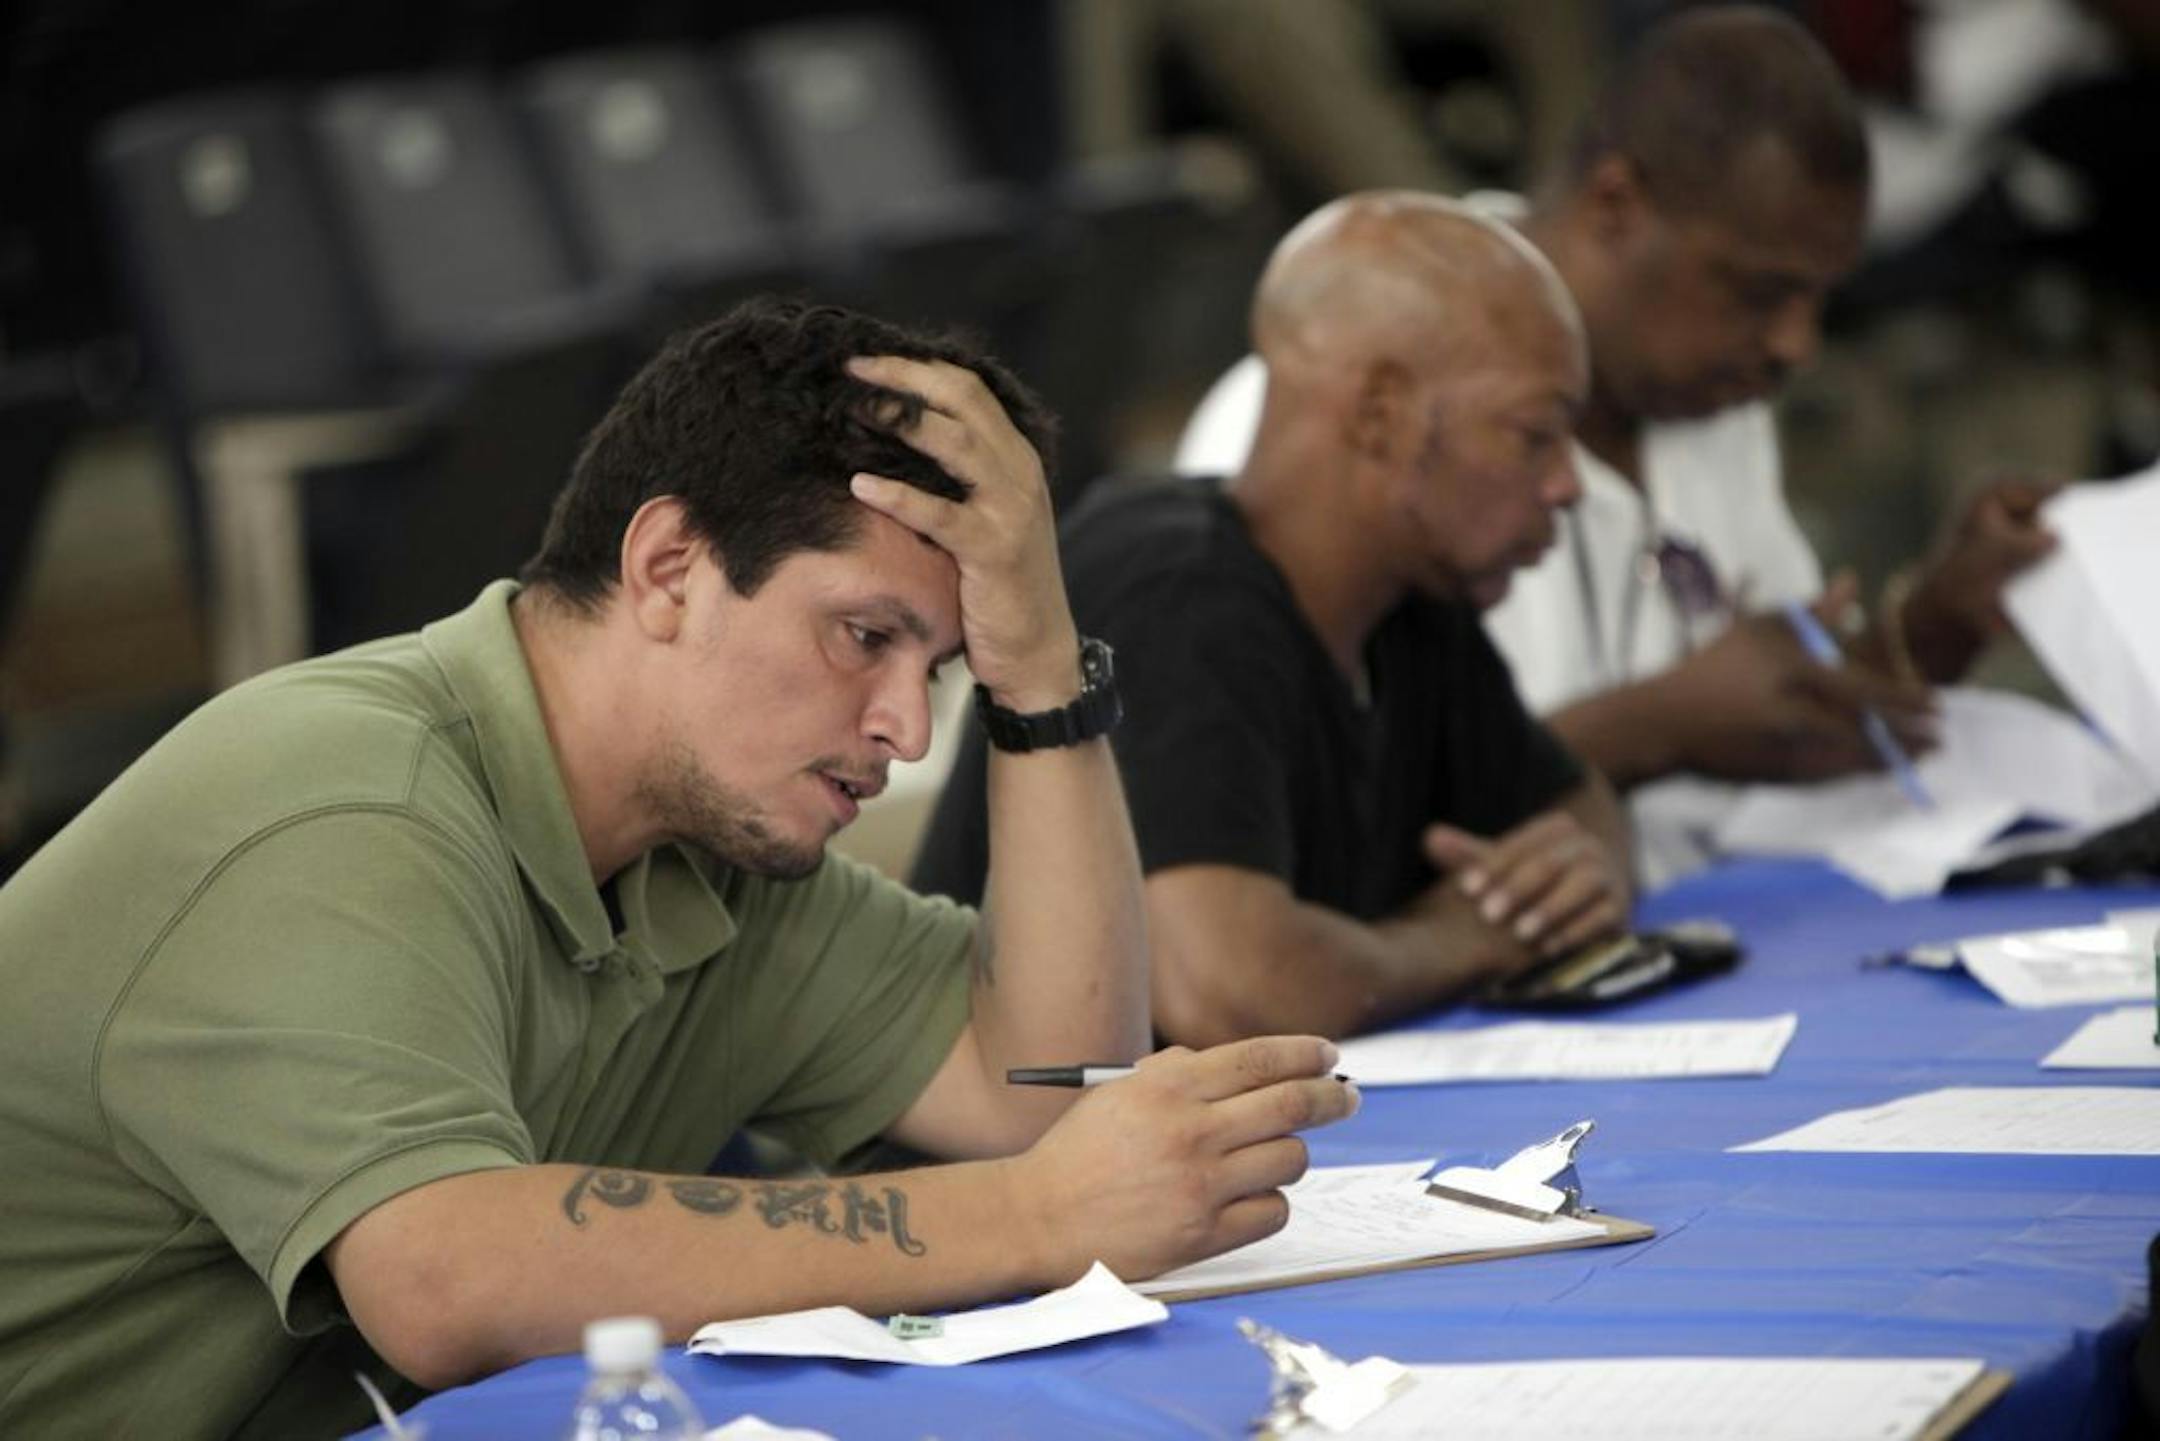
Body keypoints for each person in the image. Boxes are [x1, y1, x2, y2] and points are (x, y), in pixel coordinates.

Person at [0, 298, 1359, 1439]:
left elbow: (1051, 1090)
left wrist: (1044, 664)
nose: (905, 725)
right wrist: (1028, 1215)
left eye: (942, 668)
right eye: (862, 635)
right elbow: (447, 1273)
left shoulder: (712, 853)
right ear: (667, 567)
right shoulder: (344, 800)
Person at [1176, 6, 2058, 887]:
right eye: (1757, 291)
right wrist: (1660, 724)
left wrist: (1936, 621)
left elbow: (1774, 723)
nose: (1797, 345)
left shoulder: (1711, 400)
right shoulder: (1316, 408)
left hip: (1695, 961)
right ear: (1615, 206)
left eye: (1818, 299)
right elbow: (1293, 825)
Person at [913, 193, 1632, 1047]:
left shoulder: (1412, 593)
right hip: (1002, 1171)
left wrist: (1553, 884)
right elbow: (1228, 992)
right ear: (1382, 415)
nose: (1568, 485)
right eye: (1535, 434)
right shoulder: (1173, 587)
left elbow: (1581, 816)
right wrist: (1475, 935)